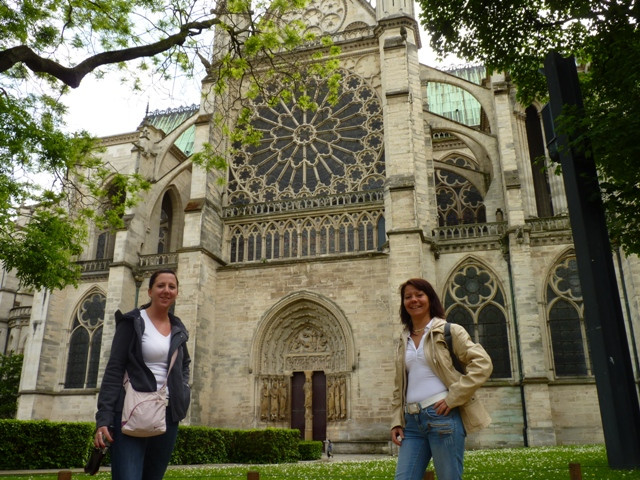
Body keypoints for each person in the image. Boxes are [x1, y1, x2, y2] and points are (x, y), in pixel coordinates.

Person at [390, 278, 492, 480]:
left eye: (419, 295)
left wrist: (453, 397)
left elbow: (483, 363)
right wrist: (396, 420)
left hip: (442, 417)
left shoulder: (448, 330)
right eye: (408, 297)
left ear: (430, 299)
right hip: (411, 422)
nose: (414, 300)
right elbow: (399, 385)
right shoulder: (404, 339)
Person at [94, 269, 191, 480]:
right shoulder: (132, 322)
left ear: (177, 292)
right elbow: (114, 370)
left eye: (171, 287)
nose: (166, 291)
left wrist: (182, 390)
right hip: (130, 410)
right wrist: (103, 418)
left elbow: (184, 363)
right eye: (160, 286)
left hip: (166, 413)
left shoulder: (178, 328)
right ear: (149, 291)